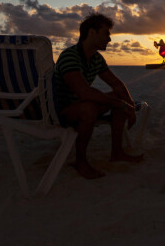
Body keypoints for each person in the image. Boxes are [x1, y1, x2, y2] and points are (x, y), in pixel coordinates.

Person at [54, 13, 143, 179]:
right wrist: (121, 105)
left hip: (83, 104)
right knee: (92, 108)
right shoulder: (69, 56)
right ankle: (80, 162)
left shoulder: (96, 58)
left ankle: (117, 152)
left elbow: (116, 84)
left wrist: (129, 105)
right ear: (92, 32)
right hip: (63, 110)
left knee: (119, 96)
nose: (109, 39)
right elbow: (84, 92)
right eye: (106, 34)